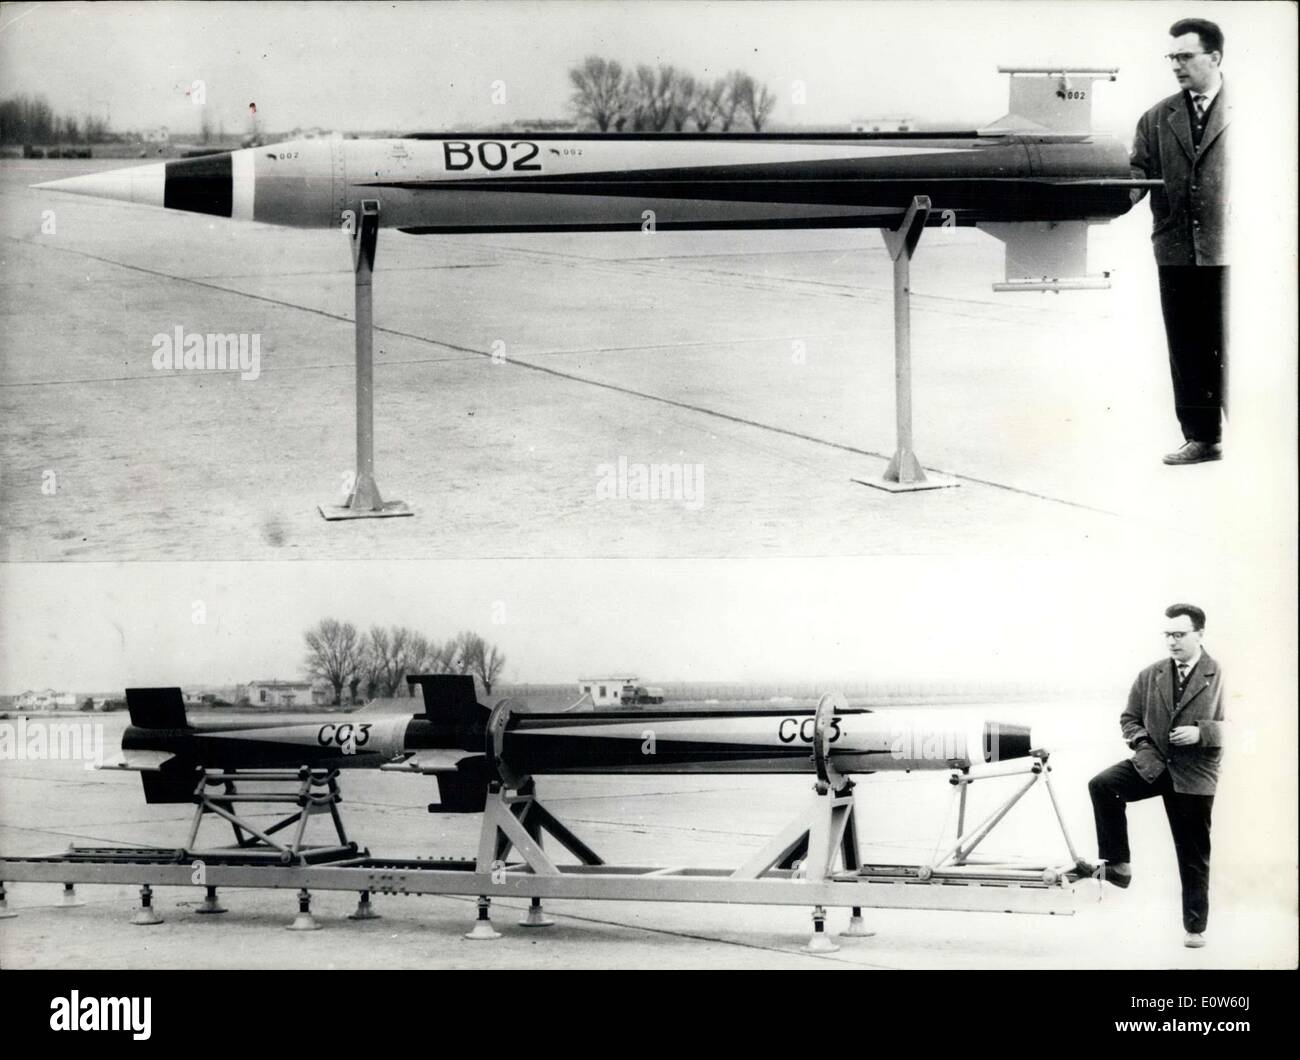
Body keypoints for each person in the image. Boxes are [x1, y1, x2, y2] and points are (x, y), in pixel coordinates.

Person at [1086, 604, 1225, 948]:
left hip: (1194, 774)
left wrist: (1202, 733)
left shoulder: (1219, 674)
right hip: (1152, 764)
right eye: (1168, 635)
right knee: (1103, 785)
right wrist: (1142, 744)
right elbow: (1129, 719)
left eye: (1180, 634)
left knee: (1193, 855)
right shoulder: (1150, 675)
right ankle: (1118, 865)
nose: (1172, 642)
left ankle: (1195, 928)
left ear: (1200, 635)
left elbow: (1245, 728)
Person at [1130, 18, 1228, 465]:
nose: (1177, 66)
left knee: (1237, 345)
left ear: (1215, 57)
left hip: (1235, 251)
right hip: (1175, 250)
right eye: (1173, 57)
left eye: (1185, 56)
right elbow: (1135, 175)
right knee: (1186, 346)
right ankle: (1202, 437)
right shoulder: (1156, 117)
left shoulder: (1256, 110)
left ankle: (1265, 437)